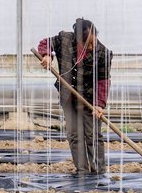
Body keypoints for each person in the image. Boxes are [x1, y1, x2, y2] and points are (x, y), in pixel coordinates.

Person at [37, 19, 113, 175]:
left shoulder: (103, 53)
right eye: (86, 44)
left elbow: (103, 80)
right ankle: (82, 171)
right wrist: (47, 55)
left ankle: (98, 172)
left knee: (93, 135)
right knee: (74, 134)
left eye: (93, 42)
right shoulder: (65, 39)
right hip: (68, 96)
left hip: (90, 99)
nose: (91, 47)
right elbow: (46, 43)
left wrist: (99, 104)